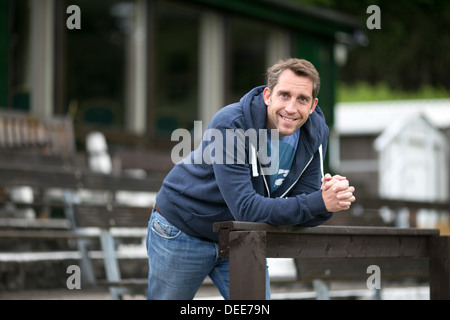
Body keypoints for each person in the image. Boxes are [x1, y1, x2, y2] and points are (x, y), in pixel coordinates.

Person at [146, 58, 356, 300]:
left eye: (302, 99)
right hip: (183, 228)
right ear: (268, 96)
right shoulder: (231, 124)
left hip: (241, 237)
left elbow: (306, 206)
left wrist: (332, 197)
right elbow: (246, 207)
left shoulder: (315, 131)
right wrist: (319, 202)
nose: (291, 108)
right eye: (284, 95)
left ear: (312, 105)